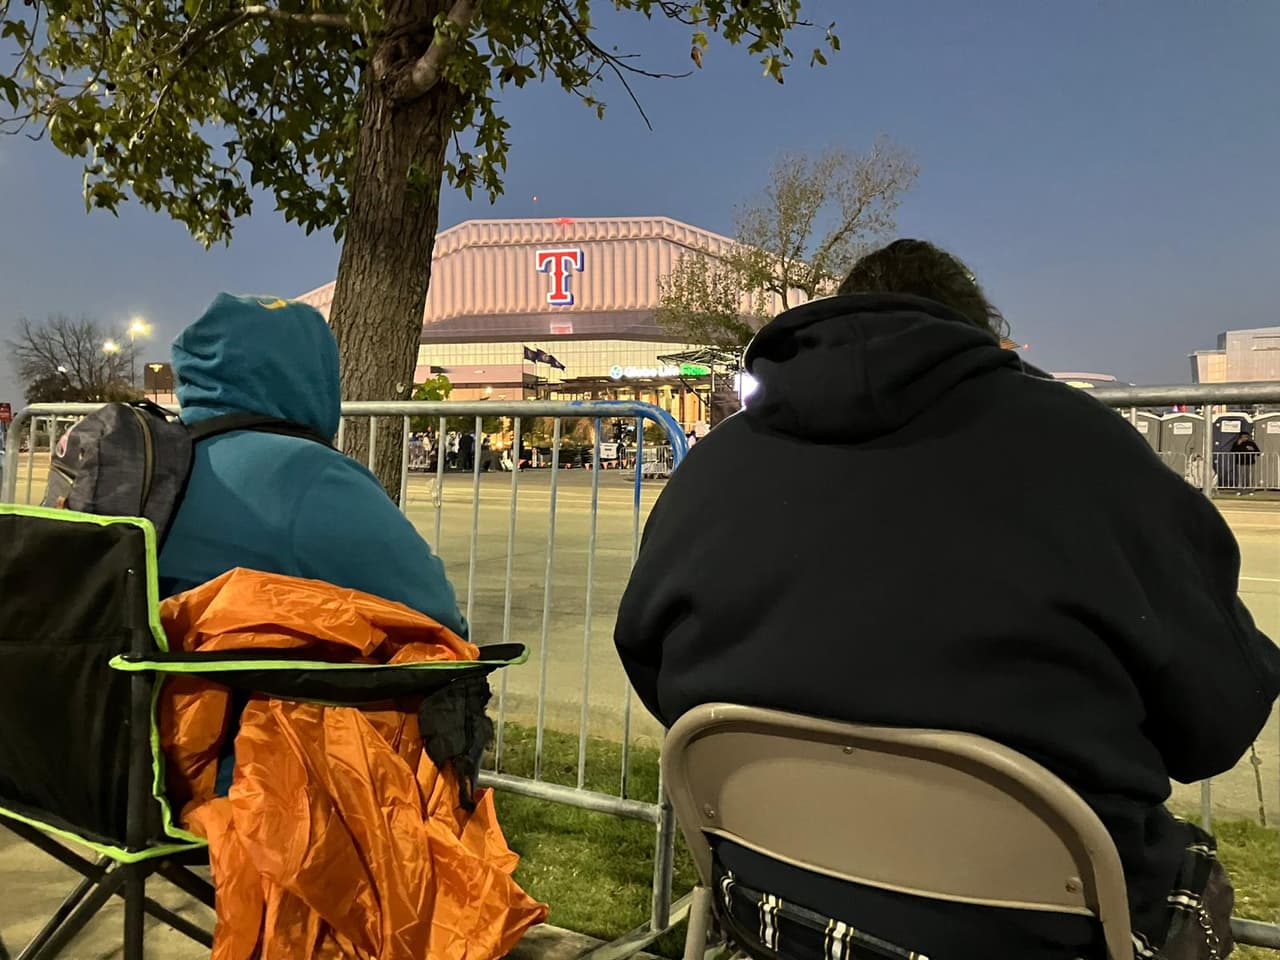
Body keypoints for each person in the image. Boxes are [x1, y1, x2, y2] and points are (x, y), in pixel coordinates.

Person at [615, 240, 1279, 960]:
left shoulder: (715, 466)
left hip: (778, 913)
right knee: (1198, 877)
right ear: (980, 337)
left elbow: (650, 663)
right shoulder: (1086, 450)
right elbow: (1217, 719)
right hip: (1050, 933)